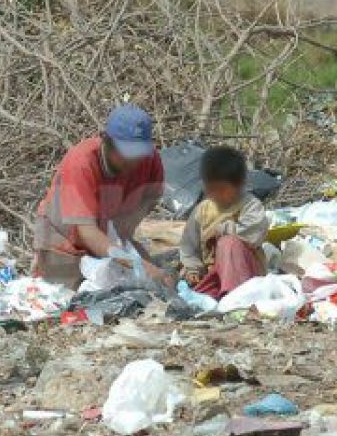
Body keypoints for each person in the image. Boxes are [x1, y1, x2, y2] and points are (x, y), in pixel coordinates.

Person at [34, 104, 168, 288]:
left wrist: (125, 234)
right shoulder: (81, 163)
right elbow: (87, 233)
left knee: (151, 284)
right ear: (106, 141)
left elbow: (149, 199)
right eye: (127, 152)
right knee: (70, 297)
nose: (134, 160)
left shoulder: (149, 161)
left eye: (139, 152)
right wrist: (134, 262)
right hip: (64, 244)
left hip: (108, 239)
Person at [179, 146, 268, 299]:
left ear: (239, 185)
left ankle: (236, 297)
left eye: (222, 189)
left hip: (246, 277)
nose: (215, 193)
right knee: (192, 292)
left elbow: (253, 235)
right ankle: (220, 296)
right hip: (214, 275)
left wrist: (223, 230)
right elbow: (188, 246)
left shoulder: (250, 205)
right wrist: (193, 270)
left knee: (228, 244)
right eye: (211, 188)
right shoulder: (202, 210)